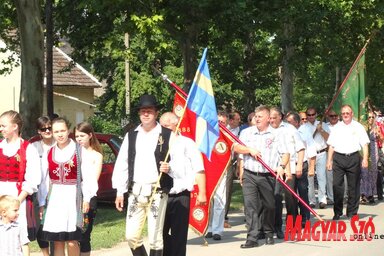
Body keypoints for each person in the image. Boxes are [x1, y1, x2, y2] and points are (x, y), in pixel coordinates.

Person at [112, 94, 173, 256]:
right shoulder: (131, 136)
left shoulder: (167, 135)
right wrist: (120, 191)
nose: (146, 114)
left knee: (155, 237)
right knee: (132, 236)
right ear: (139, 113)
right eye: (143, 111)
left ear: (156, 113)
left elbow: (181, 162)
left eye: (150, 111)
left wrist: (170, 167)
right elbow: (122, 164)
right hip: (135, 192)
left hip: (157, 192)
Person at [39, 117, 98, 256]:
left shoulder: (80, 150)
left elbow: (88, 177)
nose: (60, 134)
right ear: (52, 133)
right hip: (55, 199)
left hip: (73, 198)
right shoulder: (49, 153)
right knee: (58, 240)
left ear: (68, 131)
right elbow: (44, 181)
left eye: (63, 130)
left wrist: (87, 198)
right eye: (56, 131)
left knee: (72, 240)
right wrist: (42, 202)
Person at [233, 105, 289, 248]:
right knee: (250, 206)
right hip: (250, 174)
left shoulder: (276, 134)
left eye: (260, 117)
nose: (256, 119)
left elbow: (285, 154)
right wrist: (249, 150)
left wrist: (282, 167)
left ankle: (269, 232)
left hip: (268, 175)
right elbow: (236, 147)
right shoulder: (247, 133)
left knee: (269, 205)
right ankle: (252, 237)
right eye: (256, 116)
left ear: (268, 119)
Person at [159, 112, 207, 256]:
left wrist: (202, 193)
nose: (163, 128)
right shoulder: (157, 144)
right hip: (161, 195)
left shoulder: (187, 143)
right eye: (161, 126)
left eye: (166, 125)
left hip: (180, 195)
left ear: (176, 124)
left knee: (179, 234)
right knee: (159, 233)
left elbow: (199, 168)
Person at [0, 110, 41, 256]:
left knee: (19, 235)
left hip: (18, 196)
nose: (1, 129)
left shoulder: (28, 149)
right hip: (0, 195)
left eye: (4, 125)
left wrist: (17, 201)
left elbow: (33, 179)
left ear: (15, 127)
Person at [327, 105, 369, 220]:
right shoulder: (337, 127)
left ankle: (352, 212)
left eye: (348, 113)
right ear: (342, 115)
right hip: (338, 158)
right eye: (343, 113)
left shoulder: (358, 127)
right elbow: (331, 145)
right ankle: (337, 212)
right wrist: (329, 161)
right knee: (337, 186)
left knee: (353, 187)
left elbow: (365, 144)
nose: (345, 115)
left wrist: (365, 158)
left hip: (353, 158)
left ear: (352, 114)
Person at [269, 107, 300, 239]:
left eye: (274, 118)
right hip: (273, 168)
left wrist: (299, 165)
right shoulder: (266, 130)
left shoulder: (290, 129)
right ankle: (277, 227)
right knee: (275, 197)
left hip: (290, 166)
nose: (271, 120)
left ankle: (293, 225)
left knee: (290, 198)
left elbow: (300, 147)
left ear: (280, 117)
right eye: (269, 118)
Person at [75, 122, 103, 256]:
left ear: (90, 135)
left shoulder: (96, 156)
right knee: (72, 235)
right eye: (76, 136)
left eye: (82, 135)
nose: (79, 139)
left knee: (84, 234)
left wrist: (86, 199)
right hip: (73, 196)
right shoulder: (73, 153)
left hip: (89, 197)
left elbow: (93, 181)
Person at [285, 111, 317, 227]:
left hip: (302, 165)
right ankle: (293, 218)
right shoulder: (284, 132)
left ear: (297, 122)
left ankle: (305, 217)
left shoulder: (305, 131)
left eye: (290, 122)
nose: (287, 124)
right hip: (289, 166)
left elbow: (311, 149)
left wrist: (312, 167)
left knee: (303, 192)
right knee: (290, 194)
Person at [31, 116, 55, 256]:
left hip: (58, 191)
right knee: (41, 228)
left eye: (49, 127)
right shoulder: (34, 147)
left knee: (57, 229)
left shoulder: (59, 144)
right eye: (43, 129)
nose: (47, 130)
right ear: (38, 131)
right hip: (39, 192)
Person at [301, 107, 330, 209]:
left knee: (322, 177)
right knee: (310, 178)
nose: (311, 117)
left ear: (316, 114)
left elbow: (329, 139)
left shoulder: (322, 124)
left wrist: (320, 130)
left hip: (321, 153)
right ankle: (311, 200)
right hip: (309, 155)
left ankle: (322, 199)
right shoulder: (303, 128)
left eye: (313, 114)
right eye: (309, 115)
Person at [205, 111, 228, 240]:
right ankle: (208, 227)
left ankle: (217, 230)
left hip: (222, 171)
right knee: (208, 201)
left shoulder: (228, 136)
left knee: (220, 200)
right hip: (207, 170)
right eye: (218, 122)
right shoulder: (206, 134)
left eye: (223, 122)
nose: (220, 125)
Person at [224, 111, 241, 228]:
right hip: (220, 163)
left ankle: (224, 217)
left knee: (228, 190)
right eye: (237, 119)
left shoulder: (242, 131)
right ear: (230, 121)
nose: (239, 121)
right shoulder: (223, 130)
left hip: (232, 163)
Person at [360, 112, 381, 204]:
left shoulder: (377, 127)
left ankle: (371, 193)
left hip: (374, 151)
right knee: (364, 172)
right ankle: (364, 194)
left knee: (373, 173)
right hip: (365, 151)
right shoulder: (363, 127)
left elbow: (381, 139)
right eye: (369, 117)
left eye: (373, 117)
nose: (371, 118)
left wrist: (379, 134)